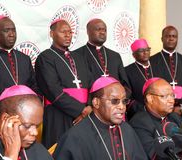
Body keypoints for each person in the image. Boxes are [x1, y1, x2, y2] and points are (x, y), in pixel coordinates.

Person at [53, 76, 147, 160]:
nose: (122, 107)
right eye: (115, 101)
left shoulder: (127, 129)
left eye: (124, 101)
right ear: (96, 103)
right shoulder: (75, 137)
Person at [35, 19, 93, 148]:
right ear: (52, 34)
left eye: (70, 32)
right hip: (58, 115)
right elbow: (52, 89)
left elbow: (90, 84)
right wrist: (81, 110)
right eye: (63, 32)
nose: (68, 35)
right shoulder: (45, 57)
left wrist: (89, 107)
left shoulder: (79, 57)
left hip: (85, 114)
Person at [0, 85, 53, 160]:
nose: (35, 133)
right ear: (6, 119)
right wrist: (10, 157)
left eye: (37, 125)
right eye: (27, 126)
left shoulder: (37, 148)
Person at [129, 78, 182, 159]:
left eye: (172, 95)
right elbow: (153, 156)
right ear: (150, 98)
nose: (171, 101)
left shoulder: (174, 117)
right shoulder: (139, 123)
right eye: (165, 96)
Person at [150, 26, 182, 123]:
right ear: (162, 39)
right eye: (168, 36)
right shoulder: (152, 61)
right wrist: (165, 105)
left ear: (177, 39)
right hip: (160, 109)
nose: (171, 38)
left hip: (181, 111)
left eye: (174, 36)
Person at [0, 16, 38, 92]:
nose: (11, 34)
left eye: (13, 30)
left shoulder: (24, 58)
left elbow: (35, 86)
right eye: (6, 30)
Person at [74, 18, 130, 90]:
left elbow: (125, 85)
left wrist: (120, 98)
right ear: (88, 32)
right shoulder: (77, 55)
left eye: (104, 30)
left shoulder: (115, 56)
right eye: (98, 29)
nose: (102, 32)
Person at [125, 39, 154, 120]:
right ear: (134, 55)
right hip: (139, 114)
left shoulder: (156, 67)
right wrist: (143, 109)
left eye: (147, 50)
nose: (145, 52)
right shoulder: (127, 71)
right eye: (141, 51)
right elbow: (128, 97)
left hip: (158, 113)